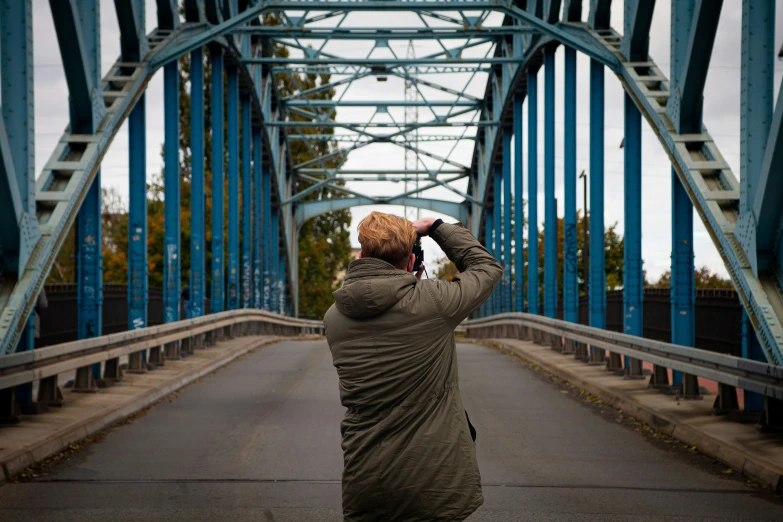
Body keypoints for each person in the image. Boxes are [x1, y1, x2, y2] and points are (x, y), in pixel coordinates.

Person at [324, 211, 502, 522]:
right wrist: (436, 228)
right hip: (434, 479)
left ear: (363, 255)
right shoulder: (435, 302)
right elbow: (486, 268)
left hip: (365, 476)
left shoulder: (334, 317)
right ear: (410, 262)